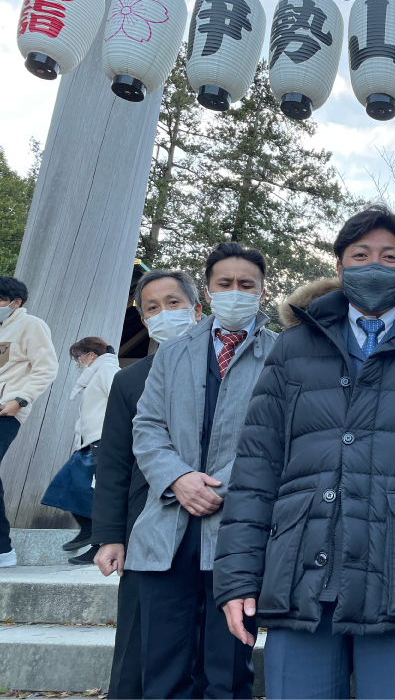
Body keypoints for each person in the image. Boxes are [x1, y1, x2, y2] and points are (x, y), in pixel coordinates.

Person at [214, 206, 395, 700]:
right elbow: (257, 467)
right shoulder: (294, 346)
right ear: (340, 268)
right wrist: (238, 575)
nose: (375, 265)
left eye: (389, 257)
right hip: (303, 574)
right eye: (360, 255)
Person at [126, 243, 277, 699]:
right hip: (167, 522)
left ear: (261, 290)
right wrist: (178, 477)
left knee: (227, 664)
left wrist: (221, 485)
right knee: (163, 661)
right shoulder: (174, 353)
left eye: (245, 285)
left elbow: (281, 434)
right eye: (225, 284)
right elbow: (147, 425)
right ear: (208, 292)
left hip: (239, 525)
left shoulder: (283, 354)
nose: (235, 292)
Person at [91, 270, 202, 700]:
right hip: (146, 523)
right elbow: (115, 460)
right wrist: (108, 536)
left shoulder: (228, 370)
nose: (163, 313)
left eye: (173, 303)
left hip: (214, 518)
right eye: (151, 307)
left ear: (196, 308)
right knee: (138, 638)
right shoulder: (130, 380)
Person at [41, 337, 120, 565]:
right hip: (90, 443)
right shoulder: (96, 372)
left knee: (90, 493)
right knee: (66, 486)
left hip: (102, 441)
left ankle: (97, 542)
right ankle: (90, 530)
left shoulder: (106, 369)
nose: (79, 362)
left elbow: (121, 400)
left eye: (80, 357)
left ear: (91, 354)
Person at [0, 276, 59, 569]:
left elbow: (46, 367)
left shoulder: (31, 325)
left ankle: (2, 549)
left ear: (15, 302)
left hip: (5, 409)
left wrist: (20, 400)